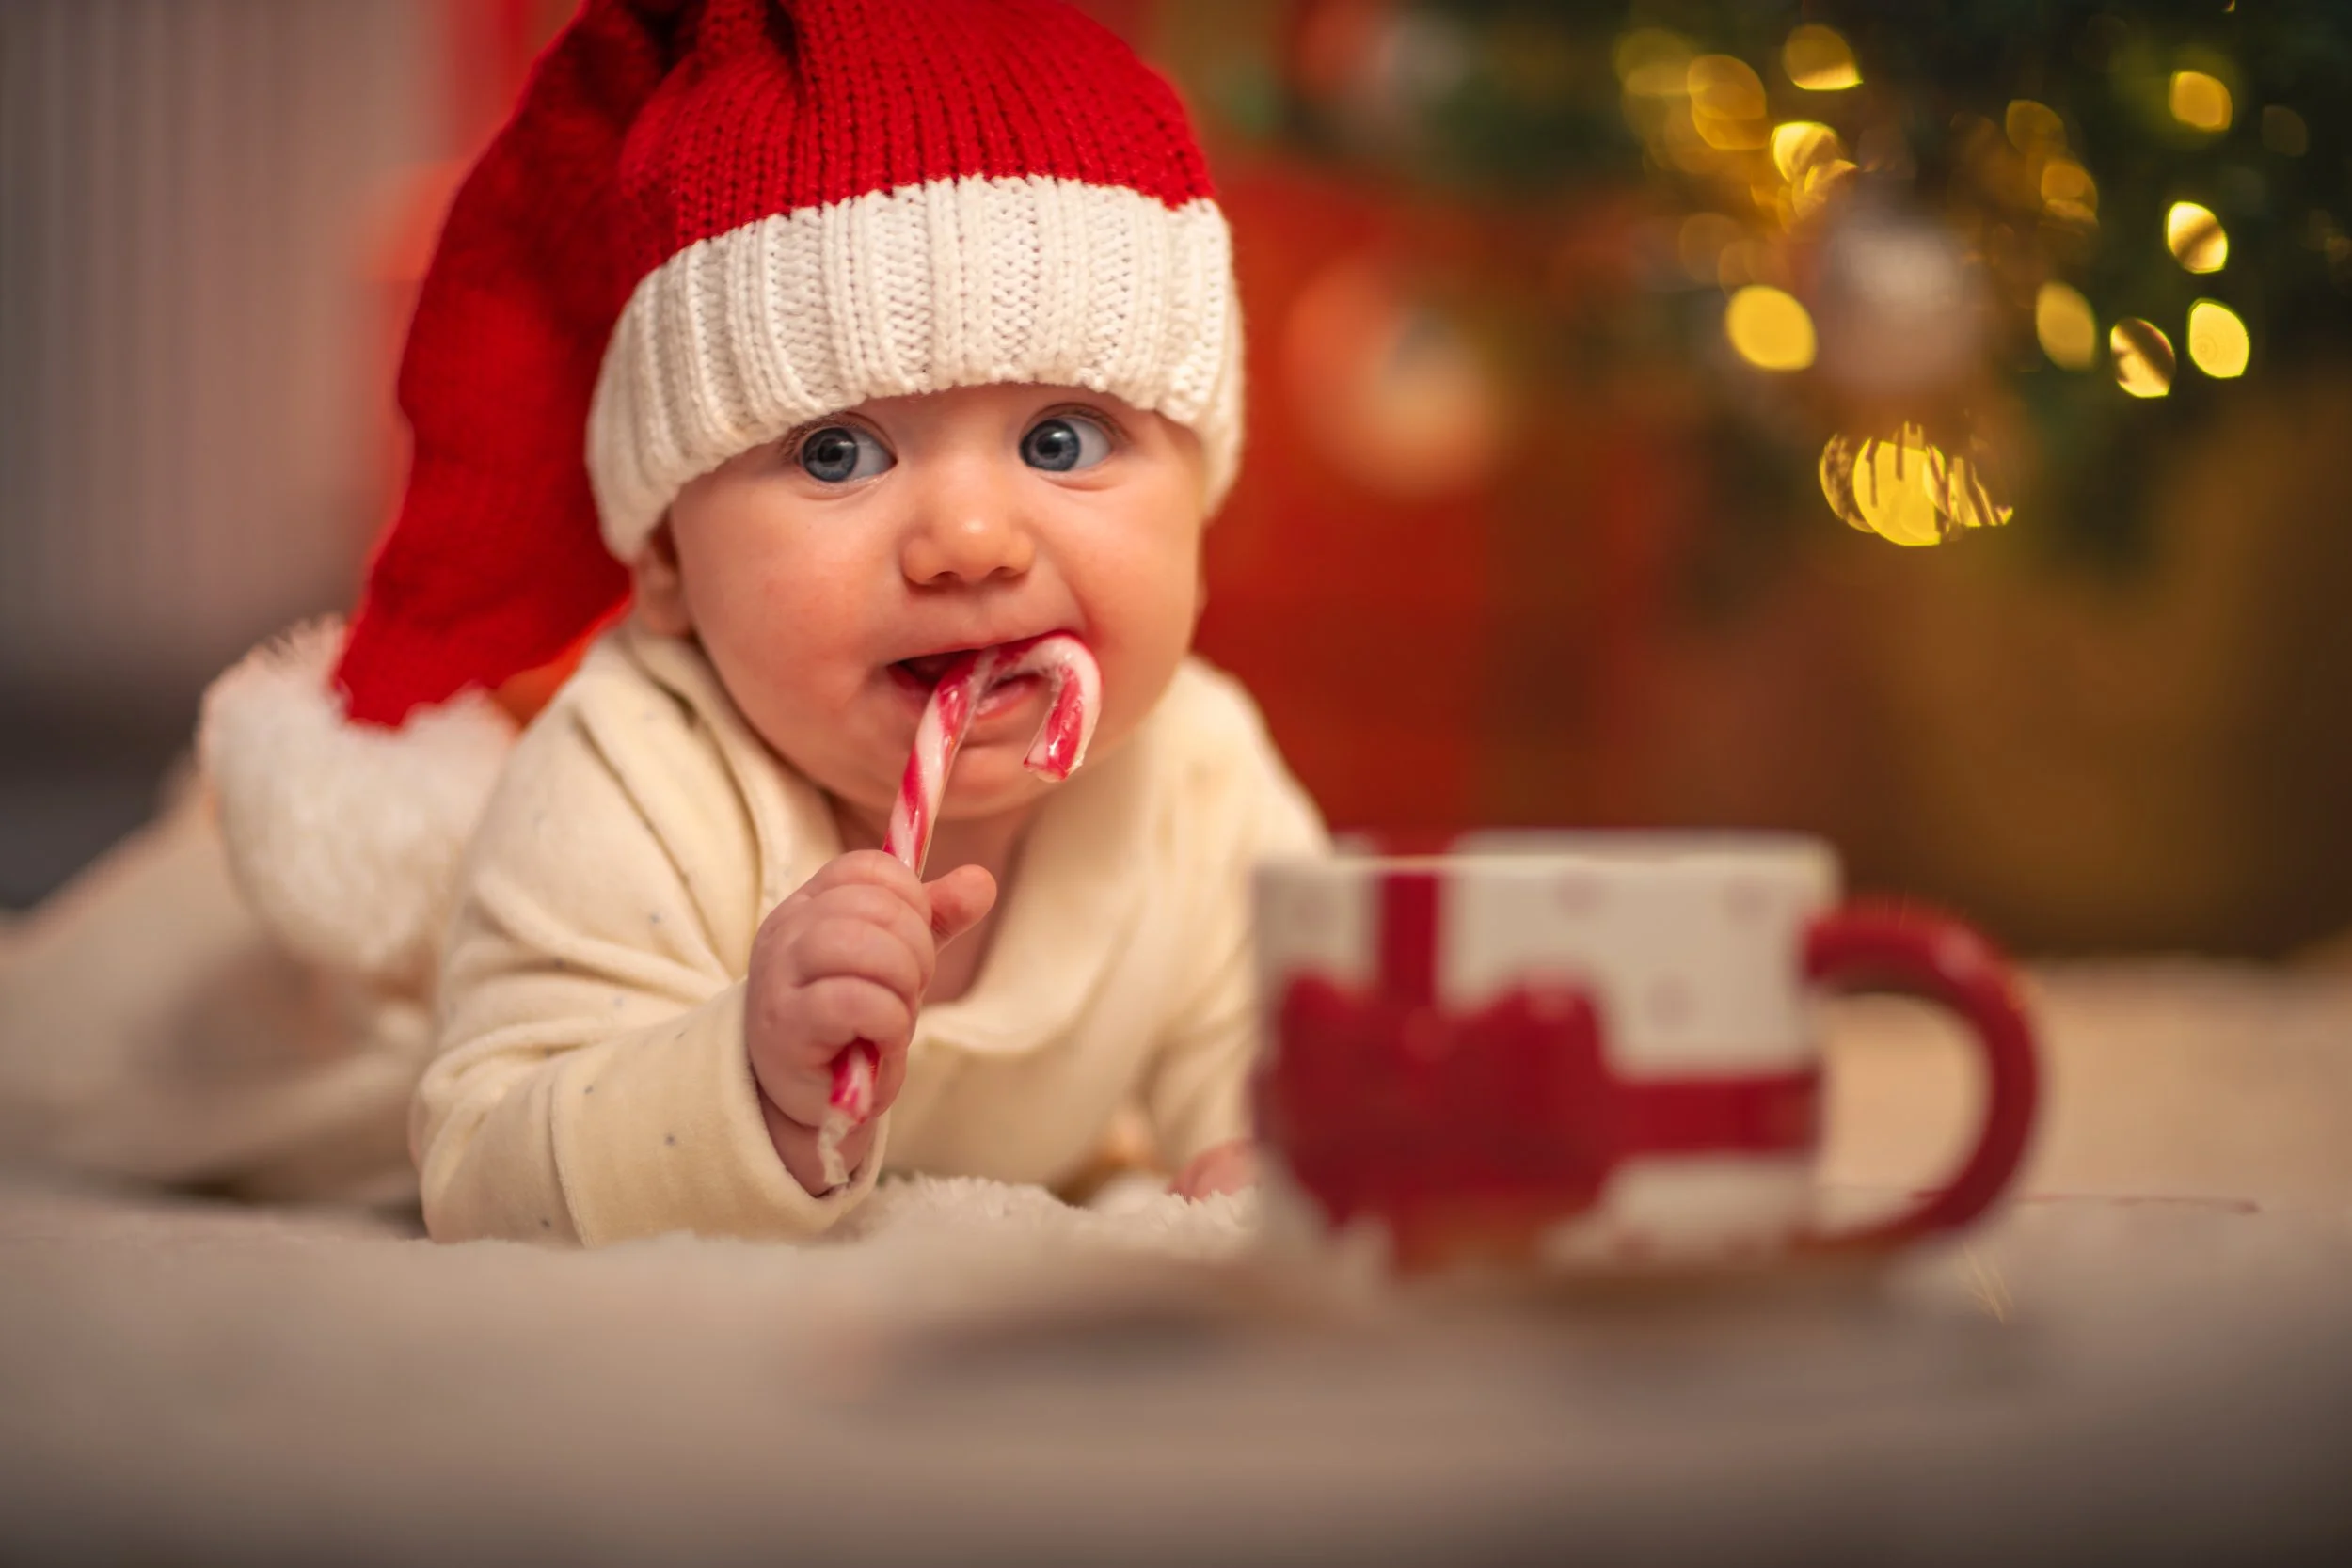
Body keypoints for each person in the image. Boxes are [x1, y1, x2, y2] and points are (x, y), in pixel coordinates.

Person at [197, 0, 1327, 1246]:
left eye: (1062, 439)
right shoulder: (635, 773)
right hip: (331, 1031)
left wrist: (1268, 1155)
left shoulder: (1202, 774)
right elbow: (481, 1167)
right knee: (149, 1015)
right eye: (839, 453)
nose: (969, 539)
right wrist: (739, 1077)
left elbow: (1286, 1063)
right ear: (671, 555)